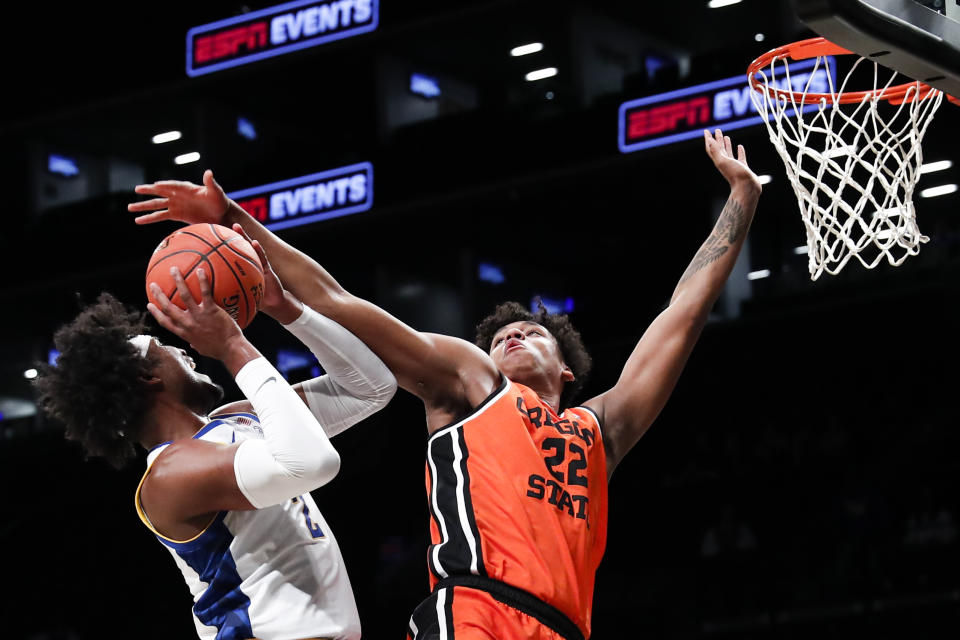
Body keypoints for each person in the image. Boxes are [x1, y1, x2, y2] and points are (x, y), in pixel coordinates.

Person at [128, 128, 762, 640]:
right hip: (472, 616)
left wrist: (741, 199)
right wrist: (240, 227)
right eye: (499, 337)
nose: (511, 338)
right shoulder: (472, 384)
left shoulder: (601, 431)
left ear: (567, 370)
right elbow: (338, 300)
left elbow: (682, 315)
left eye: (530, 334)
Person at [33, 241, 397, 640]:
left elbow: (369, 388)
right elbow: (312, 464)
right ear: (148, 378)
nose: (184, 351)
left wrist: (286, 310)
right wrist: (231, 345)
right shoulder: (171, 476)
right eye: (164, 348)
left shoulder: (232, 420)